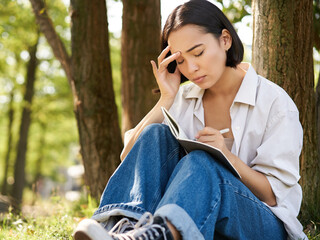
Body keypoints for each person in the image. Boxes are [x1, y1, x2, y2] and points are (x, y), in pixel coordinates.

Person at [73, 0, 307, 239]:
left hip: (261, 224)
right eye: (181, 61)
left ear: (225, 40)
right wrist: (166, 98)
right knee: (156, 133)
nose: (191, 68)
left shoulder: (274, 102)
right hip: (201, 219)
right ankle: (120, 229)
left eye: (198, 53)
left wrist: (226, 158)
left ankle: (157, 234)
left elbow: (272, 195)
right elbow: (130, 158)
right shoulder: (183, 98)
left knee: (201, 161)